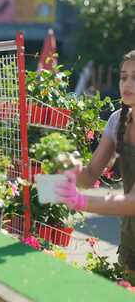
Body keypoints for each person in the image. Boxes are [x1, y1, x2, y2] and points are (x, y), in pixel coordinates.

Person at [55, 49, 135, 276]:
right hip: (131, 238)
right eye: (123, 76)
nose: (127, 83)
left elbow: (132, 203)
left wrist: (77, 200)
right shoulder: (117, 120)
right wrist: (62, 174)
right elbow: (89, 176)